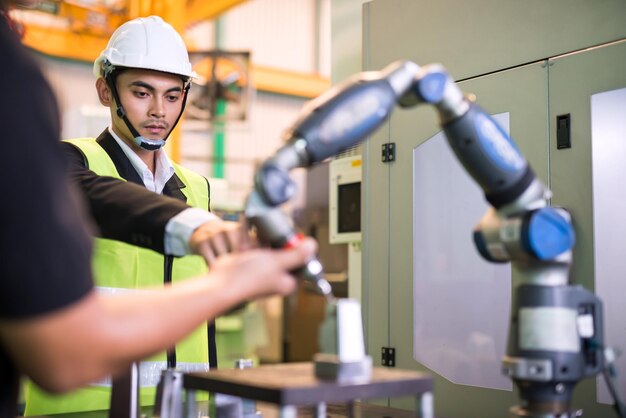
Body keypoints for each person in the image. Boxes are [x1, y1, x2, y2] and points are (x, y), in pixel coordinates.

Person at [0, 6, 316, 418]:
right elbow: (101, 197)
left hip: (184, 400)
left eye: (172, 96)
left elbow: (207, 314)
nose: (158, 112)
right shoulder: (73, 162)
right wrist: (196, 227)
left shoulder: (196, 188)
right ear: (105, 91)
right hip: (85, 403)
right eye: (141, 92)